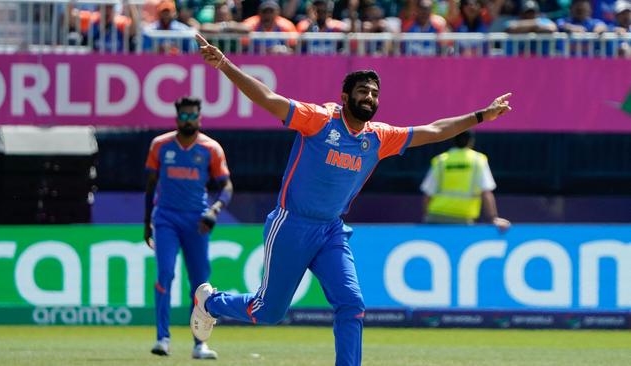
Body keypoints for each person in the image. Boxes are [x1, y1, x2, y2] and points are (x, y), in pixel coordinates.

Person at [191, 32, 512, 366]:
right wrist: (225, 64)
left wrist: (480, 116)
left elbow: (434, 130)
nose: (369, 97)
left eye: (374, 93)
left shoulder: (379, 137)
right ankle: (212, 302)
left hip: (331, 230)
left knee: (352, 303)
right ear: (345, 96)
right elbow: (268, 98)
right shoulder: (318, 120)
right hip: (292, 224)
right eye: (362, 91)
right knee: (267, 312)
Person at [144, 96, 233, 359]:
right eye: (183, 116)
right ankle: (162, 338)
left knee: (200, 283)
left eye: (192, 115)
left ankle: (200, 343)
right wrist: (146, 224)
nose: (188, 120)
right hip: (166, 219)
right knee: (165, 274)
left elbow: (226, 185)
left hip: (197, 221)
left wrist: (214, 211)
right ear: (176, 117)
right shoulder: (160, 145)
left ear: (200, 117)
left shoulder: (210, 148)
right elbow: (150, 187)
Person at [420, 130, 511, 232]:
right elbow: (486, 192)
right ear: (471, 142)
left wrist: (427, 216)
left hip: (435, 217)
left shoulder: (440, 161)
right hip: (463, 218)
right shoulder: (478, 160)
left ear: (452, 140)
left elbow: (428, 194)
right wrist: (493, 218)